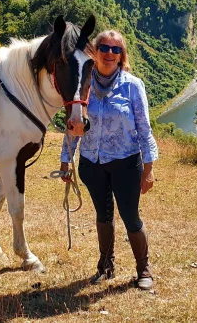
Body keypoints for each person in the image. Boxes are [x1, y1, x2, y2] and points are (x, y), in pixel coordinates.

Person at [59, 29, 159, 290]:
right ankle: (106, 265)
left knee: (130, 217)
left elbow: (145, 130)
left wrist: (148, 169)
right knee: (103, 216)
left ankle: (143, 269)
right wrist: (64, 161)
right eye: (104, 48)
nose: (110, 54)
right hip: (91, 164)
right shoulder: (83, 83)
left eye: (116, 50)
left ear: (122, 55)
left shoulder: (133, 86)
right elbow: (73, 124)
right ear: (95, 51)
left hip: (126, 163)